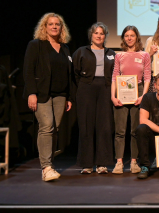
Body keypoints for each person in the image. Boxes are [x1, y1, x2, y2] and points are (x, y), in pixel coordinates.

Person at [23, 13, 74, 181]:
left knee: (55, 129)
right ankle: (46, 168)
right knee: (47, 126)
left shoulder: (65, 48)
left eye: (57, 24)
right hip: (41, 94)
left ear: (61, 27)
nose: (54, 26)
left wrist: (68, 97)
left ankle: (50, 164)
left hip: (60, 95)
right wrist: (31, 92)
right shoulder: (36, 45)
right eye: (50, 24)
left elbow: (67, 74)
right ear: (44, 27)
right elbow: (28, 70)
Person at [73, 22, 115, 173]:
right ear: (91, 35)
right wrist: (84, 85)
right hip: (86, 88)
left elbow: (116, 74)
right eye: (96, 33)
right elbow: (75, 73)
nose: (99, 36)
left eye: (102, 33)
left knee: (104, 125)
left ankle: (102, 163)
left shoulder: (111, 53)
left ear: (105, 36)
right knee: (86, 125)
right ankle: (87, 164)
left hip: (106, 88)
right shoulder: (81, 51)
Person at [111, 26, 151, 174]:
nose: (129, 38)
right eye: (126, 35)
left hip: (139, 91)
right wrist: (113, 96)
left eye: (132, 35)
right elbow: (114, 77)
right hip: (121, 92)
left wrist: (144, 96)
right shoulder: (119, 56)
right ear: (123, 38)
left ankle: (134, 161)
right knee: (120, 131)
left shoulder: (144, 55)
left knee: (135, 130)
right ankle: (119, 162)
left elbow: (147, 77)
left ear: (137, 37)